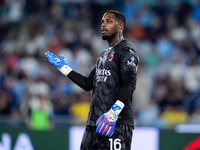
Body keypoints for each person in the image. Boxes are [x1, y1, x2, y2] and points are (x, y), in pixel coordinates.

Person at [45, 10, 139, 150]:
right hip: (94, 124)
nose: (103, 25)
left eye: (108, 21)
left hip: (116, 123)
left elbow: (130, 84)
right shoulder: (103, 55)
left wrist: (114, 113)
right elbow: (88, 84)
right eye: (102, 22)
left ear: (120, 26)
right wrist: (64, 68)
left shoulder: (127, 52)